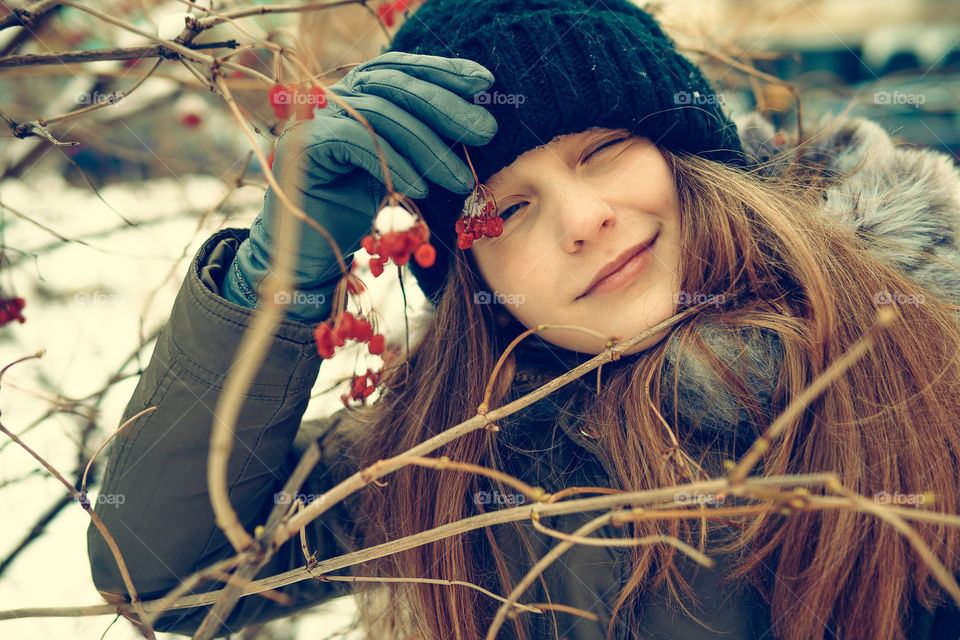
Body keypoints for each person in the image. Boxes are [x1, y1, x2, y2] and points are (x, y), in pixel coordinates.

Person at [87, 0, 960, 638]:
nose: (583, 220)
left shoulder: (927, 342)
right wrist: (277, 277)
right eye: (504, 211)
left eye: (606, 152)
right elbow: (168, 577)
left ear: (694, 159)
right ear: (474, 289)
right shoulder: (449, 458)